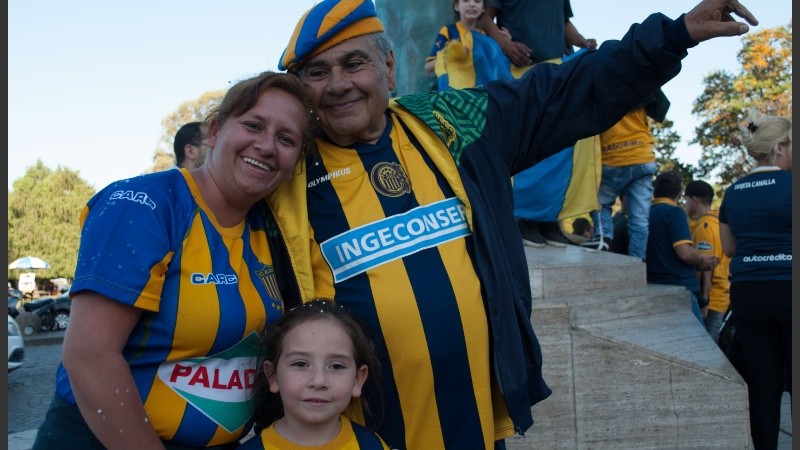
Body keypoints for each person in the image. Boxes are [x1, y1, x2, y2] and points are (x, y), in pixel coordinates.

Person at [271, 0, 757, 448]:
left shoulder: (452, 124)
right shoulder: (284, 176)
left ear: (389, 68)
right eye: (317, 72)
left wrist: (673, 34)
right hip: (356, 436)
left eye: (354, 63)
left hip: (477, 426)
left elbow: (564, 89)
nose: (338, 84)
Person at [32, 71, 318, 450]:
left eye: (286, 139)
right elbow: (89, 356)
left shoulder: (269, 226)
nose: (266, 146)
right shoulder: (146, 205)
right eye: (253, 125)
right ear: (214, 131)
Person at [478, 0, 598, 249]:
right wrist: (506, 45)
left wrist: (583, 42)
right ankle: (524, 219)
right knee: (527, 145)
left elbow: (564, 23)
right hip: (519, 72)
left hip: (556, 70)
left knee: (560, 149)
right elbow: (486, 17)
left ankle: (549, 220)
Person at [719, 115, 791, 449]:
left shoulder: (732, 193)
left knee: (764, 388)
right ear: (781, 147)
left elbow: (729, 248)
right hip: (789, 287)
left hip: (748, 294)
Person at [239, 299, 390, 449]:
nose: (318, 381)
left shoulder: (373, 446)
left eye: (336, 366)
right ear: (272, 375)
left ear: (358, 379)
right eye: (300, 364)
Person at [580, 90, 670, 257]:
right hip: (642, 156)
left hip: (614, 157)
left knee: (599, 203)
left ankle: (603, 237)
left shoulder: (600, 84)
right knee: (639, 219)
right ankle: (638, 259)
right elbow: (661, 109)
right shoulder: (639, 81)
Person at [645, 171, 718, 324]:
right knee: (698, 337)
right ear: (679, 193)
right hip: (680, 288)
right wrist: (702, 260)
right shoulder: (674, 213)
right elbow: (685, 253)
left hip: (652, 286)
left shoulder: (644, 214)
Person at [423, 0, 513, 91]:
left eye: (477, 1)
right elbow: (428, 67)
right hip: (454, 92)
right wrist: (450, 56)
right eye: (466, 1)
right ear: (457, 6)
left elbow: (495, 67)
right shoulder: (448, 31)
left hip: (477, 93)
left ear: (483, 8)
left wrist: (504, 45)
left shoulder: (484, 38)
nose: (472, 4)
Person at [683, 179, 730, 342]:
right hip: (721, 296)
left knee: (705, 347)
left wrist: (703, 299)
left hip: (710, 301)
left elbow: (706, 268)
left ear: (694, 200)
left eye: (686, 199)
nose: (685, 204)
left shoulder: (704, 227)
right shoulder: (719, 223)